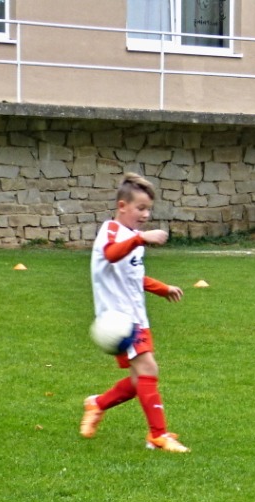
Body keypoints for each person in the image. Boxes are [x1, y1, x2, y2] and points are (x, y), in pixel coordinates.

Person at [80, 172, 189, 453]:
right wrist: (141, 238)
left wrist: (161, 288)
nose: (145, 214)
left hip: (136, 316)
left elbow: (131, 277)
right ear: (122, 206)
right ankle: (158, 435)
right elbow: (112, 253)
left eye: (148, 209)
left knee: (140, 378)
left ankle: (98, 403)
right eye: (140, 208)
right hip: (118, 320)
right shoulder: (112, 231)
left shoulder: (130, 237)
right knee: (148, 369)